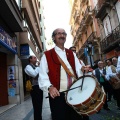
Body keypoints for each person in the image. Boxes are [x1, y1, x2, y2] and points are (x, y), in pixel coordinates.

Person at [38, 28, 89, 120]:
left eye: (64, 34)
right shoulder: (47, 55)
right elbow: (42, 75)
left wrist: (83, 68)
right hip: (58, 96)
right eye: (58, 34)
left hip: (75, 93)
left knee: (76, 118)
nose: (62, 36)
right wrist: (50, 87)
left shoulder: (71, 53)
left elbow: (78, 68)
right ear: (53, 38)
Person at [24, 56, 43, 120]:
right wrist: (39, 67)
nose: (36, 59)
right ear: (30, 59)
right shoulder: (28, 67)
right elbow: (34, 74)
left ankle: (39, 118)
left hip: (39, 87)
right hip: (34, 88)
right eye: (34, 58)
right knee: (36, 105)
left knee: (40, 105)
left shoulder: (36, 67)